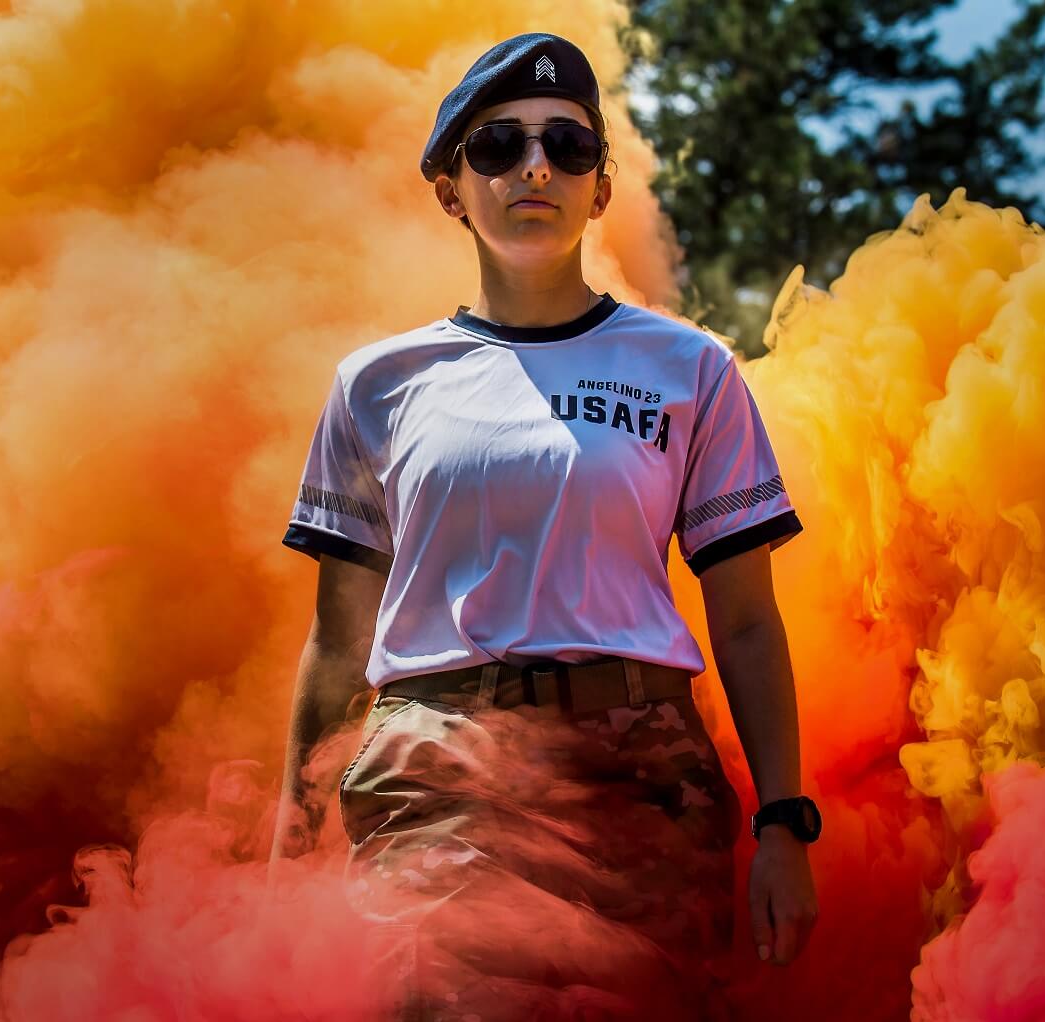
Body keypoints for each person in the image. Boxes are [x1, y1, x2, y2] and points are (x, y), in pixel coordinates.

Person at [271, 31, 820, 1021]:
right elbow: (339, 634)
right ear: (451, 188)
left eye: (569, 147)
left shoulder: (693, 371)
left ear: (600, 189)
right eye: (498, 146)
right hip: (435, 771)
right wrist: (294, 825)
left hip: (642, 777)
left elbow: (744, 620)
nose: (536, 167)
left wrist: (785, 820)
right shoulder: (377, 383)